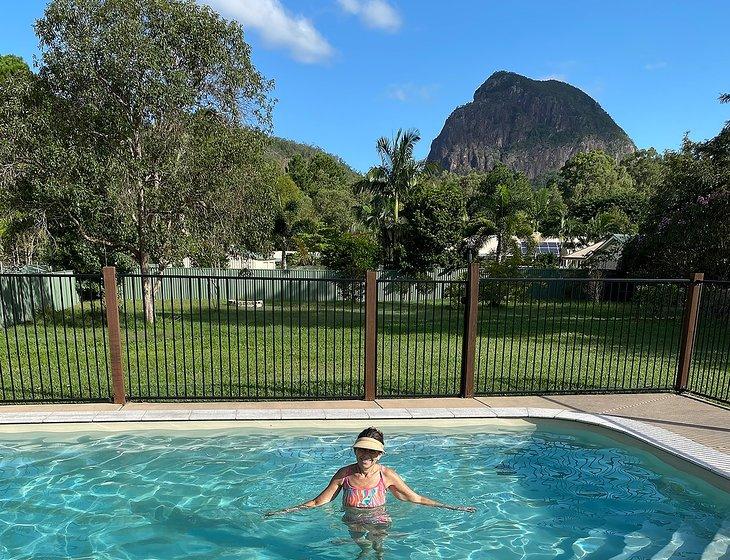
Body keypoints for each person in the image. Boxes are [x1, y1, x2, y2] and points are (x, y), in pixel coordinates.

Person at [264, 427, 476, 517]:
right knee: (362, 549)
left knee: (378, 549)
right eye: (363, 450)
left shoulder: (387, 475)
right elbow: (319, 502)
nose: (367, 455)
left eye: (373, 451)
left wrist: (452, 507)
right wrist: (283, 512)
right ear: (355, 451)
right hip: (352, 519)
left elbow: (415, 498)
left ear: (381, 454)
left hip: (380, 520)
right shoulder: (344, 475)